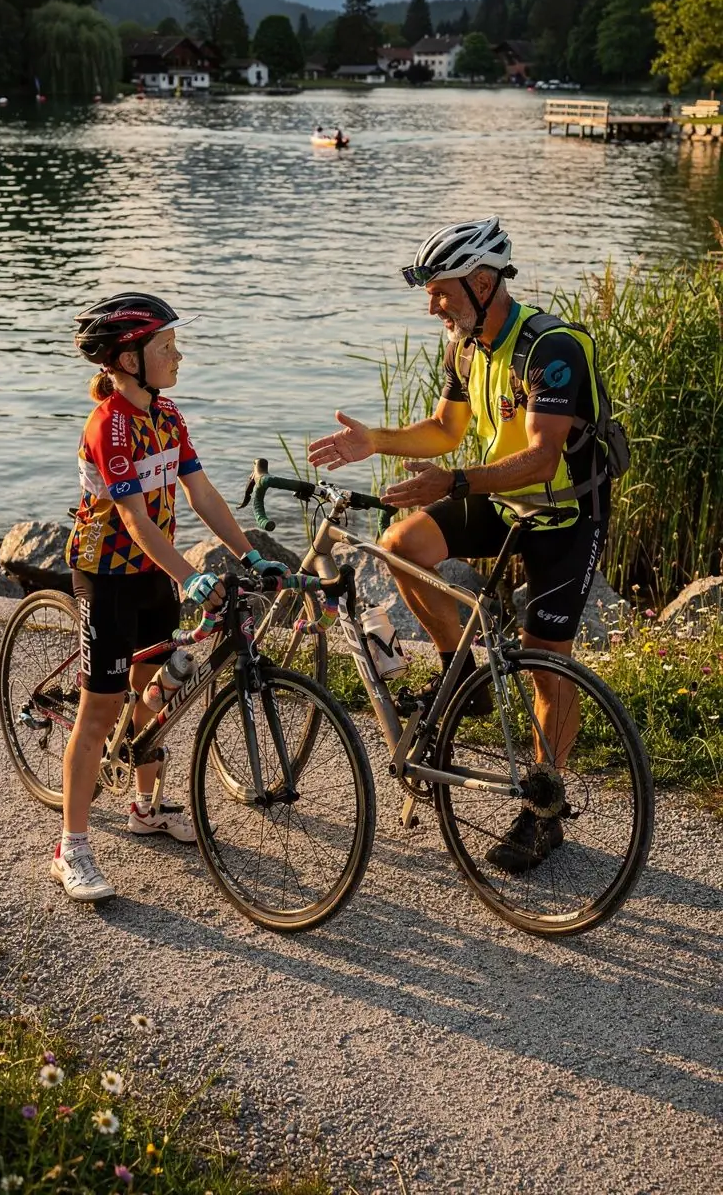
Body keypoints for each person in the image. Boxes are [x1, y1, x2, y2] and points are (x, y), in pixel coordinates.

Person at [309, 217, 612, 874]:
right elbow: (448, 429)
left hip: (564, 513)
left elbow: (540, 456)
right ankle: (461, 670)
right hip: (505, 499)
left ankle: (543, 806)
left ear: (481, 283)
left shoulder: (550, 348)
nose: (430, 304)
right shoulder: (465, 346)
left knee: (543, 662)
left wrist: (456, 482)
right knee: (403, 544)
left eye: (440, 291)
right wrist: (378, 441)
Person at [54, 292, 289, 902]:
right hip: (105, 575)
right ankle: (71, 846)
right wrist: (191, 576)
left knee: (155, 692)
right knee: (100, 710)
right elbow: (133, 518)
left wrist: (249, 553)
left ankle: (145, 806)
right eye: (166, 348)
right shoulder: (109, 426)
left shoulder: (168, 416)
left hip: (153, 573)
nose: (177, 356)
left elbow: (203, 494)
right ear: (127, 360)